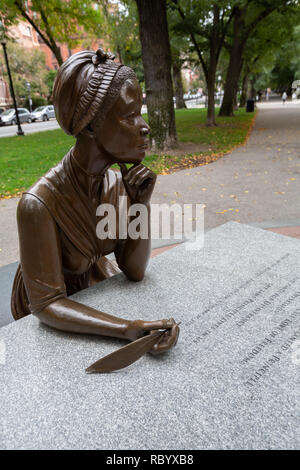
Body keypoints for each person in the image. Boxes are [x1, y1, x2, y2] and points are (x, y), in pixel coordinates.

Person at [11, 48, 180, 355]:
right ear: (90, 126)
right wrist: (125, 329)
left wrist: (140, 205)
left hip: (96, 290)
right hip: (54, 317)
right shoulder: (38, 206)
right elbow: (47, 304)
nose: (145, 126)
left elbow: (135, 270)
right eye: (130, 115)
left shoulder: (115, 184)